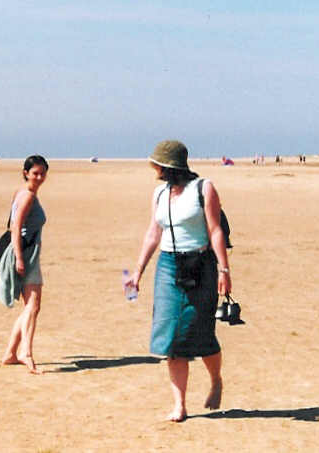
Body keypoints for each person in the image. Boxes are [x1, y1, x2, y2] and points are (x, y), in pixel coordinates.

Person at [125, 140, 231, 422]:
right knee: (171, 335)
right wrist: (138, 271)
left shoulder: (203, 188)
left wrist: (224, 270)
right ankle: (179, 404)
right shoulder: (159, 193)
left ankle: (216, 379)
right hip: (168, 266)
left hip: (200, 265)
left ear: (169, 166)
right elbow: (153, 233)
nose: (155, 170)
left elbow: (215, 230)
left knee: (201, 331)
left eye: (157, 165)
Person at [0, 155, 49, 374]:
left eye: (43, 173)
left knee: (31, 306)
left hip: (26, 253)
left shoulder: (22, 193)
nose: (39, 177)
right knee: (33, 306)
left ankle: (11, 353)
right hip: (25, 254)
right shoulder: (27, 196)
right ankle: (25, 353)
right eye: (35, 173)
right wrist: (19, 258)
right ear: (26, 173)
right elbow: (16, 227)